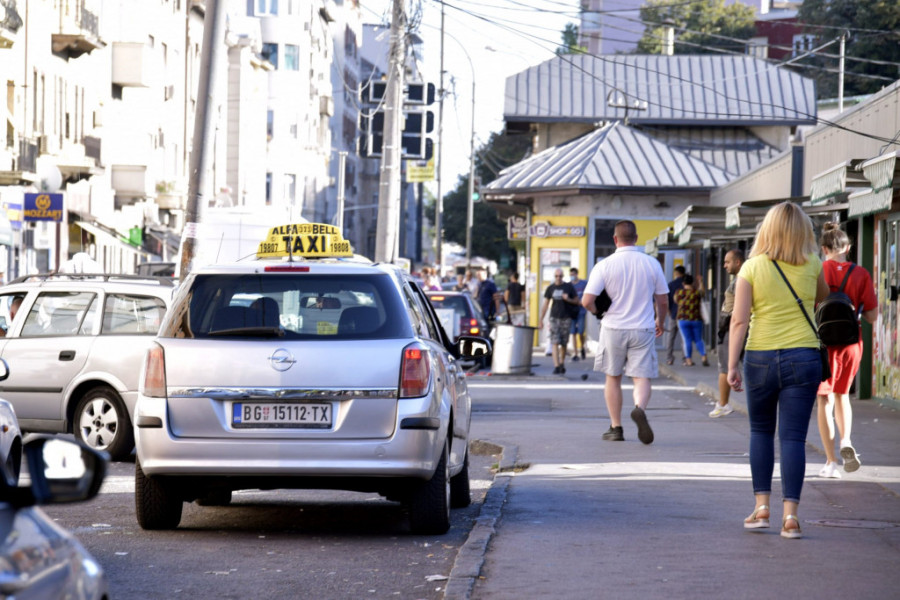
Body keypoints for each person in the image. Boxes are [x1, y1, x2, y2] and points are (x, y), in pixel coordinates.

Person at [727, 201, 830, 540]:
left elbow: (739, 320)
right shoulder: (813, 263)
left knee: (760, 432)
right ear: (804, 232)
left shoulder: (751, 268)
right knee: (793, 437)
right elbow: (823, 297)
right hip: (803, 357)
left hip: (759, 357)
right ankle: (791, 517)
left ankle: (761, 509)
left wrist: (731, 366)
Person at [582, 220, 668, 444]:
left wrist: (598, 313)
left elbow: (587, 300)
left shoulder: (604, 265)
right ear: (636, 238)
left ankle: (616, 427)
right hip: (643, 327)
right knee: (642, 377)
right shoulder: (652, 264)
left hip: (613, 328)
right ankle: (639, 407)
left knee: (613, 377)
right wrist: (660, 320)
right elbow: (663, 300)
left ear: (615, 239)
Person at [815, 223, 878, 479]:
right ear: (848, 248)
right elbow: (872, 316)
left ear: (824, 248)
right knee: (842, 396)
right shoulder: (861, 274)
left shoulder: (818, 270)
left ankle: (831, 462)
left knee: (824, 399)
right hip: (852, 344)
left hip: (824, 344)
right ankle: (846, 441)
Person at [711, 249, 744, 418]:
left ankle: (723, 404)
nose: (724, 266)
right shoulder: (741, 278)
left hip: (733, 327)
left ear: (737, 262)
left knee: (725, 367)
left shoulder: (742, 280)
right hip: (734, 326)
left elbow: (740, 310)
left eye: (727, 262)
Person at [539, 268, 578, 375]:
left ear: (563, 276)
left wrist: (568, 299)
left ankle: (561, 363)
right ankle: (556, 366)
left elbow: (577, 301)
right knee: (555, 341)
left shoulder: (568, 287)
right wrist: (541, 319)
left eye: (560, 276)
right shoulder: (550, 288)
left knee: (564, 343)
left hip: (566, 317)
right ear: (554, 276)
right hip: (554, 317)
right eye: (556, 276)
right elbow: (546, 304)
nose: (558, 278)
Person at [673, 274, 709, 367]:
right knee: (698, 339)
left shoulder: (679, 292)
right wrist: (701, 282)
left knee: (687, 340)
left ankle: (688, 360)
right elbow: (703, 293)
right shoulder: (696, 292)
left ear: (683, 283)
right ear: (692, 282)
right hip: (696, 319)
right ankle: (704, 357)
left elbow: (676, 301)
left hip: (683, 319)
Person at [664, 265, 686, 365]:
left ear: (676, 273)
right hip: (685, 315)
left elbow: (667, 299)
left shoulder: (671, 284)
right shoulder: (686, 284)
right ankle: (685, 358)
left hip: (673, 313)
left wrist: (668, 310)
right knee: (684, 338)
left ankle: (669, 358)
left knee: (670, 337)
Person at [568, 267, 587, 361]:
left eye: (573, 275)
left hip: (581, 311)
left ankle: (582, 347)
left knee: (580, 332)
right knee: (573, 332)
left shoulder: (583, 283)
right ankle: (575, 353)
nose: (572, 276)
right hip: (572, 311)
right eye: (570, 275)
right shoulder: (569, 285)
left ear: (576, 274)